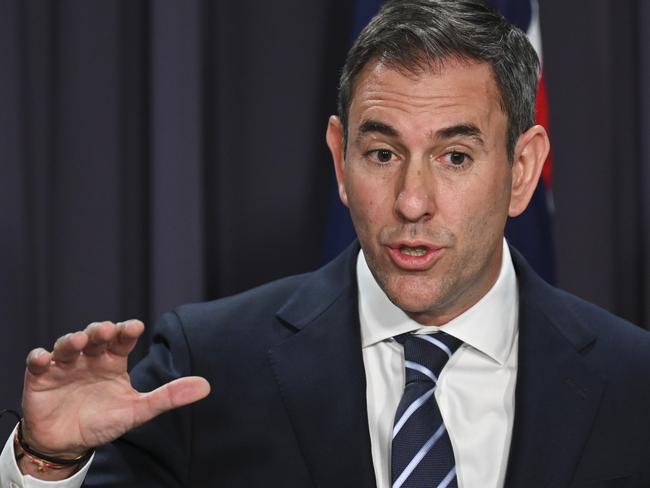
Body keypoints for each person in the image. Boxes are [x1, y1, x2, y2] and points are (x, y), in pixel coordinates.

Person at [2, 0, 650, 487]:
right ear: (340, 161)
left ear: (524, 169)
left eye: (454, 156)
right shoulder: (210, 365)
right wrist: (50, 462)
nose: (412, 201)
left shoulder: (633, 385)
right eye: (381, 152)